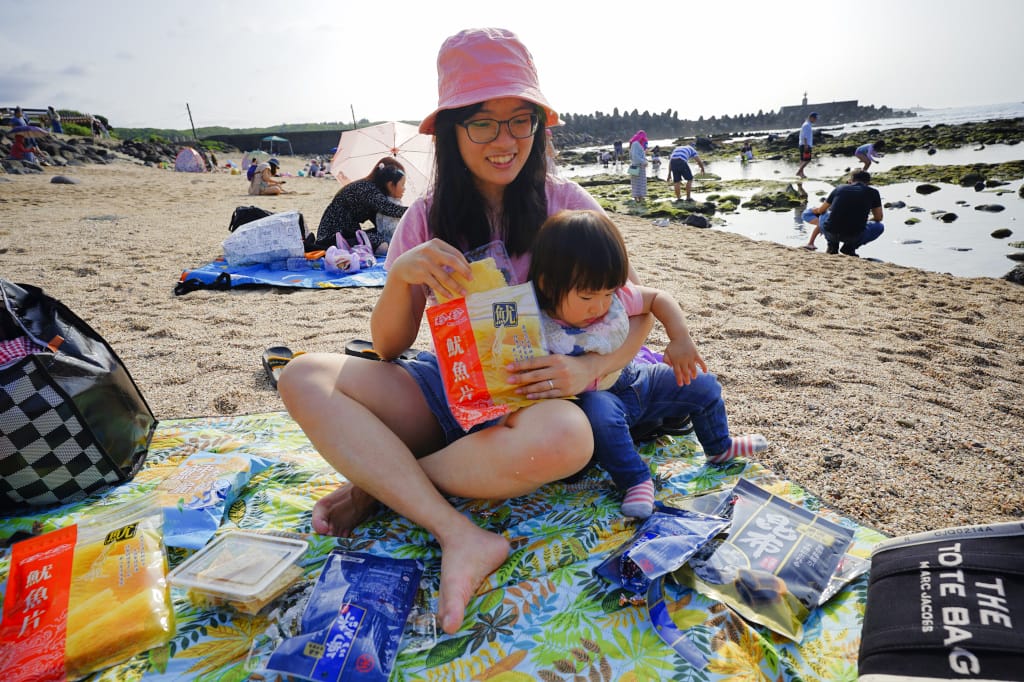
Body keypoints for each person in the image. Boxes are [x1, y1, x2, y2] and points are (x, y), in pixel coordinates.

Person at [277, 27, 651, 636]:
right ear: (451, 129)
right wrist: (401, 276)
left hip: (530, 409)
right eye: (482, 122)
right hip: (449, 389)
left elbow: (632, 313)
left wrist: (586, 370)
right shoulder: (424, 216)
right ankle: (459, 533)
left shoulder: (568, 204)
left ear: (539, 124)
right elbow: (391, 348)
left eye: (519, 120)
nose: (504, 141)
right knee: (301, 375)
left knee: (568, 438)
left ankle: (385, 482)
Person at [529, 209, 768, 518]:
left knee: (703, 383)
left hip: (638, 379)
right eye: (588, 298)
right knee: (600, 414)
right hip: (597, 401)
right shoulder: (537, 323)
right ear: (549, 285)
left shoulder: (614, 301)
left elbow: (658, 298)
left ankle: (719, 445)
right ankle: (636, 481)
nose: (601, 307)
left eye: (608, 293)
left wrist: (680, 338)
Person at [311, 157, 408, 252]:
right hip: (332, 237)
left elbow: (381, 223)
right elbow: (391, 209)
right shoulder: (368, 189)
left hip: (345, 233)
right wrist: (418, 208)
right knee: (379, 241)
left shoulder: (372, 188)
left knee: (383, 236)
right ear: (390, 182)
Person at [802, 170, 884, 256]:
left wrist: (814, 210)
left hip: (832, 232)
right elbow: (879, 217)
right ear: (868, 182)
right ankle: (850, 247)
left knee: (820, 214)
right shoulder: (873, 192)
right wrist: (867, 221)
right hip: (854, 236)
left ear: (851, 180)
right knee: (879, 226)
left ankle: (832, 245)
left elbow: (821, 210)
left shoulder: (840, 188)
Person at [628, 130, 648, 203]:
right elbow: (636, 156)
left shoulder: (633, 144)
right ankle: (641, 197)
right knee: (641, 182)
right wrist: (644, 162)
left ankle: (636, 197)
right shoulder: (636, 144)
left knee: (635, 182)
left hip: (633, 165)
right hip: (639, 165)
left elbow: (631, 156)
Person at [796, 111, 817, 178]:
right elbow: (804, 136)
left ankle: (801, 174)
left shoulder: (807, 125)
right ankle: (799, 171)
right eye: (814, 118)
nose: (815, 119)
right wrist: (806, 145)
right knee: (807, 160)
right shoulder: (806, 125)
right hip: (805, 145)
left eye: (816, 118)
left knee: (802, 160)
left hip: (804, 144)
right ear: (810, 118)